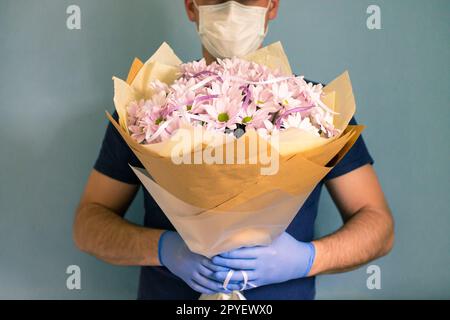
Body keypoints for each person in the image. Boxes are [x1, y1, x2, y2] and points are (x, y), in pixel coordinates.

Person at [73, 0, 394, 300]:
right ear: (191, 6)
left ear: (272, 6)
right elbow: (88, 224)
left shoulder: (317, 110)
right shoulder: (146, 114)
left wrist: (306, 259)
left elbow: (378, 225)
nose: (231, 8)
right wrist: (162, 249)